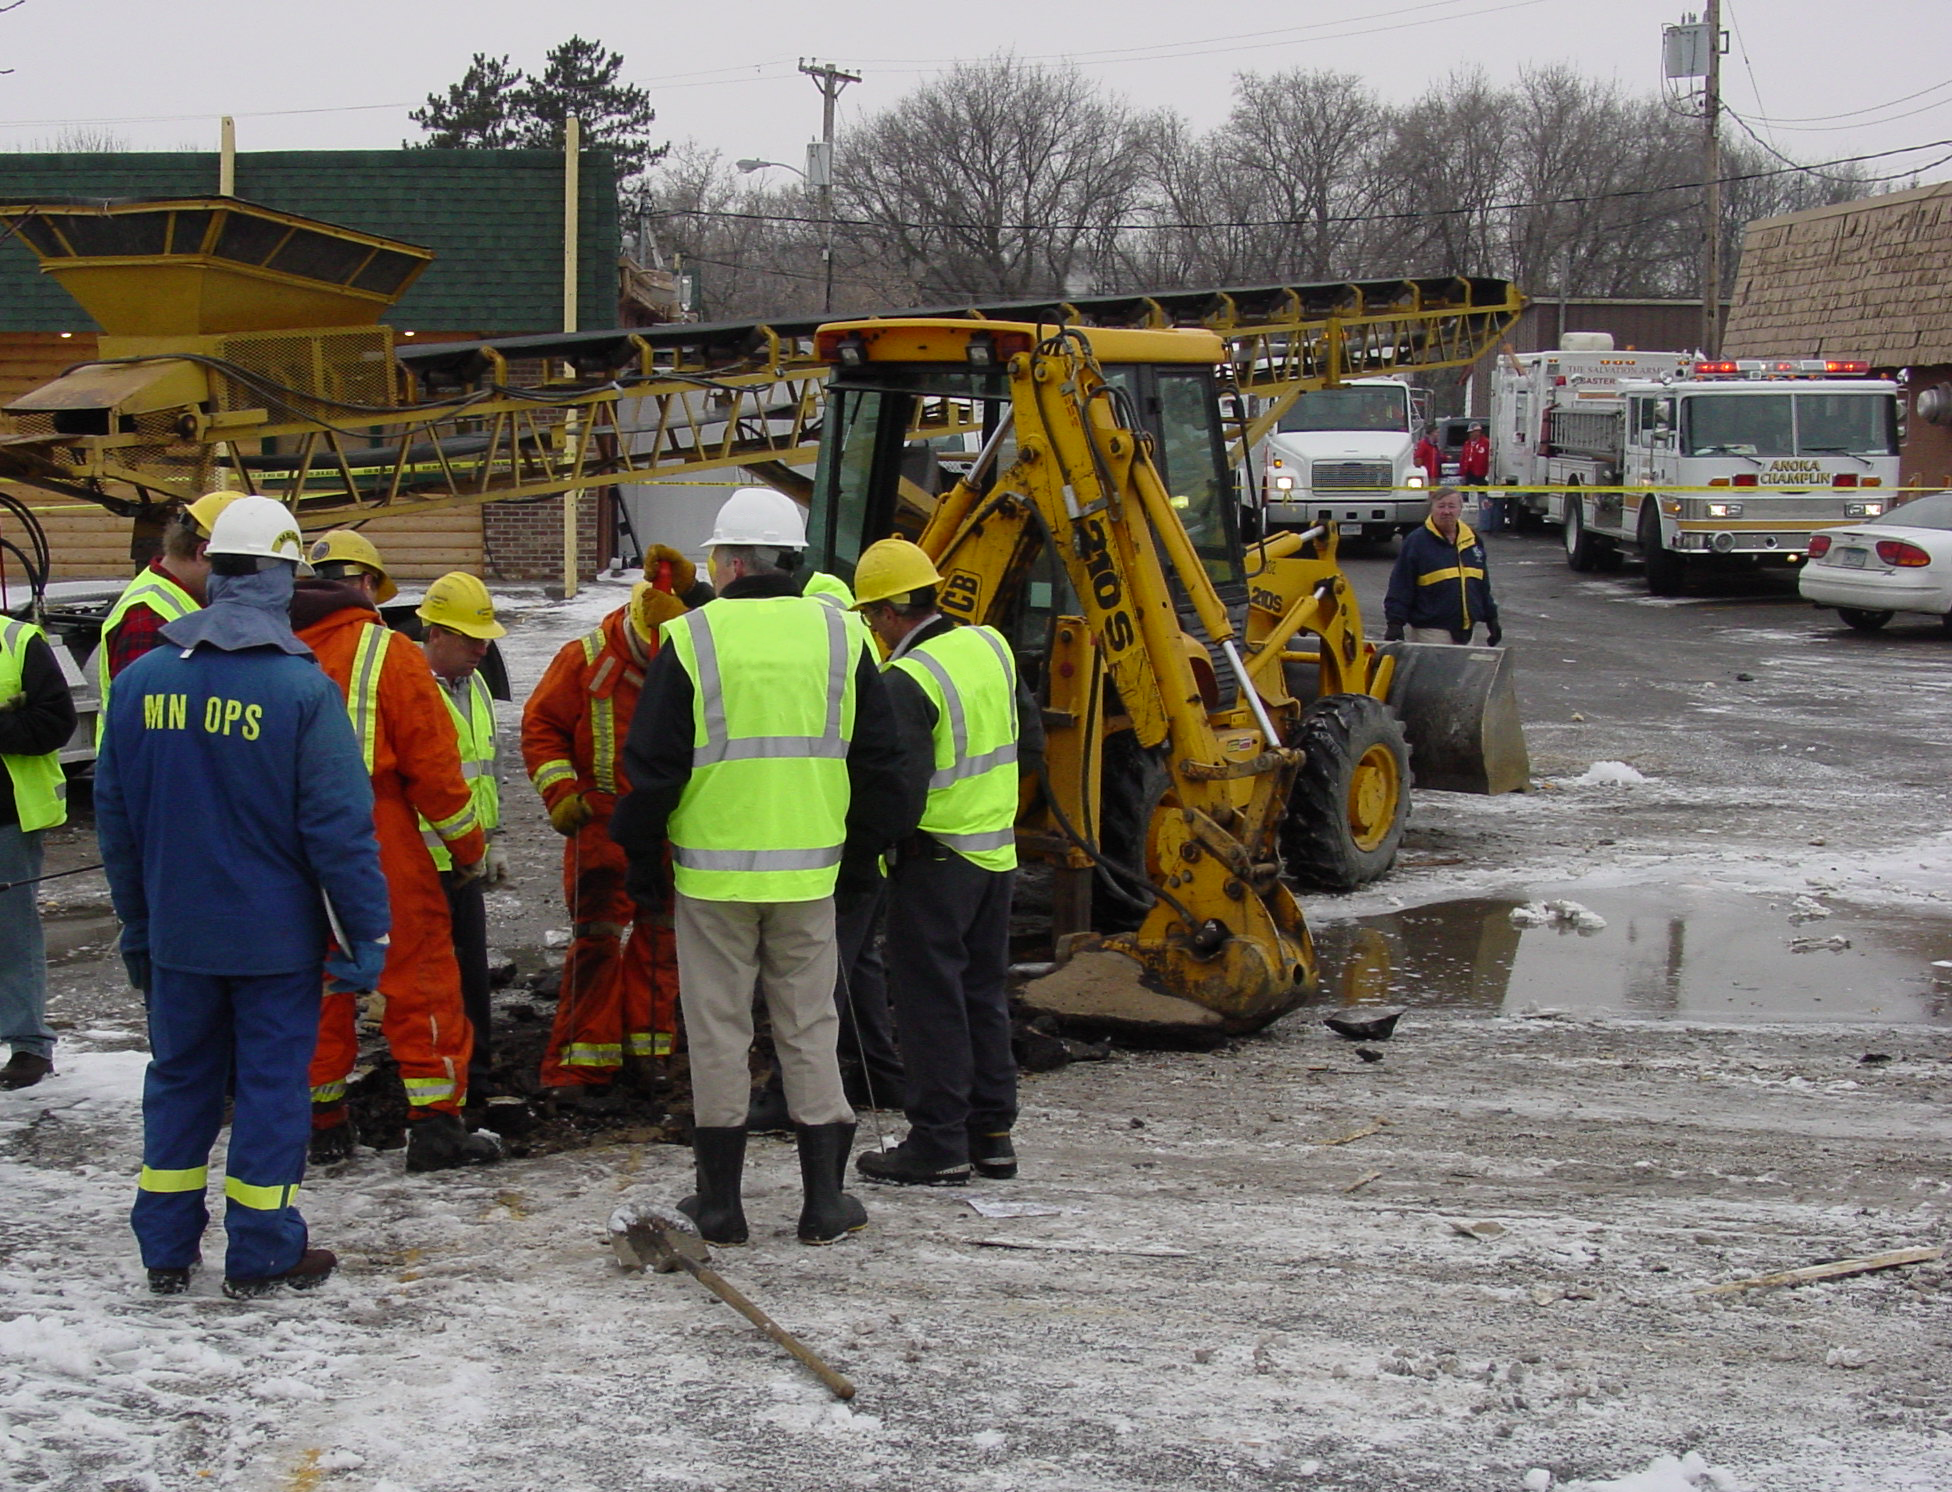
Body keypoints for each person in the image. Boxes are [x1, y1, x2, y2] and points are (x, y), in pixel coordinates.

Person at [95, 496, 389, 1298]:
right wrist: (368, 940)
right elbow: (340, 832)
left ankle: (164, 1249)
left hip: (180, 937)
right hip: (273, 945)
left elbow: (117, 824)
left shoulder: (142, 680)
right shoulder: (300, 691)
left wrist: (138, 928)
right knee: (268, 1089)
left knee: (180, 1080)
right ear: (284, 577)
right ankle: (261, 1250)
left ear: (213, 571)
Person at [611, 488, 911, 1248]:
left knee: (717, 1032)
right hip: (811, 877)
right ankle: (823, 1204)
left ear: (730, 560)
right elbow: (884, 763)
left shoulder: (693, 639)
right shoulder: (844, 639)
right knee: (810, 1025)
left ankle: (721, 1207)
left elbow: (650, 771)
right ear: (791, 559)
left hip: (712, 881)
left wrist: (644, 864)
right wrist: (862, 855)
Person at [293, 530, 497, 1172]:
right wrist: (468, 849)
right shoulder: (389, 654)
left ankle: (321, 1122)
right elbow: (435, 773)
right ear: (368, 587)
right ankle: (435, 1125)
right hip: (376, 833)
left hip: (285, 840)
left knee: (314, 980)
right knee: (421, 976)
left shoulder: (267, 645)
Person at [847, 539, 1042, 1187]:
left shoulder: (910, 680)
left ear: (897, 609)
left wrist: (865, 854)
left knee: (930, 1002)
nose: (873, 629)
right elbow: (1032, 742)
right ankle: (992, 1135)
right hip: (994, 856)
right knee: (983, 995)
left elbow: (897, 793)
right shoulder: (990, 646)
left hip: (934, 863)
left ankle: (937, 1142)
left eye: (874, 615)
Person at [520, 546, 705, 1104]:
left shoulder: (692, 656)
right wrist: (562, 793)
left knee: (660, 938)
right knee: (596, 941)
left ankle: (647, 1055)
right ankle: (578, 1066)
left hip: (671, 825)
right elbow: (542, 727)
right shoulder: (584, 659)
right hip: (599, 824)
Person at [416, 573, 509, 1104]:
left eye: (484, 638)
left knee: (471, 976)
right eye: (471, 639)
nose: (482, 649)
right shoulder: (409, 686)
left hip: (464, 861)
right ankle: (438, 1086)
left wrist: (493, 840)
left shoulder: (473, 685)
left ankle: (476, 1077)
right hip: (423, 864)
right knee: (428, 983)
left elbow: (487, 768)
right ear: (435, 634)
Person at [0, 611, 78, 1090]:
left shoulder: (16, 640)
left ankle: (28, 1043)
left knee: (11, 932)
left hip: (6, 816)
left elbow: (54, 722)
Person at [95, 491, 236, 742]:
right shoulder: (147, 617)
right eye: (238, 568)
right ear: (203, 553)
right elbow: (149, 727)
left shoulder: (175, 599)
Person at [1383, 488, 1502, 647]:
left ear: (1460, 509)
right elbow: (1401, 585)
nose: (1446, 511)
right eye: (1441, 506)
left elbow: (1481, 585)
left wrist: (1491, 618)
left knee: (1460, 672)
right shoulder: (1417, 542)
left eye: (1451, 506)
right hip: (1431, 630)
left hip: (1466, 631)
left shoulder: (1472, 540)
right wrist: (1395, 623)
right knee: (1435, 672)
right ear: (1432, 509)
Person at [1459, 422, 1498, 532]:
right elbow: (1463, 459)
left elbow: (1489, 459)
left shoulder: (1486, 443)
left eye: (1473, 432)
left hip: (1481, 475)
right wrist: (1462, 473)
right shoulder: (1467, 444)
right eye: (1470, 433)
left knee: (1483, 498)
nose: (1471, 435)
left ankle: (1484, 523)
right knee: (1467, 498)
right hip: (1469, 474)